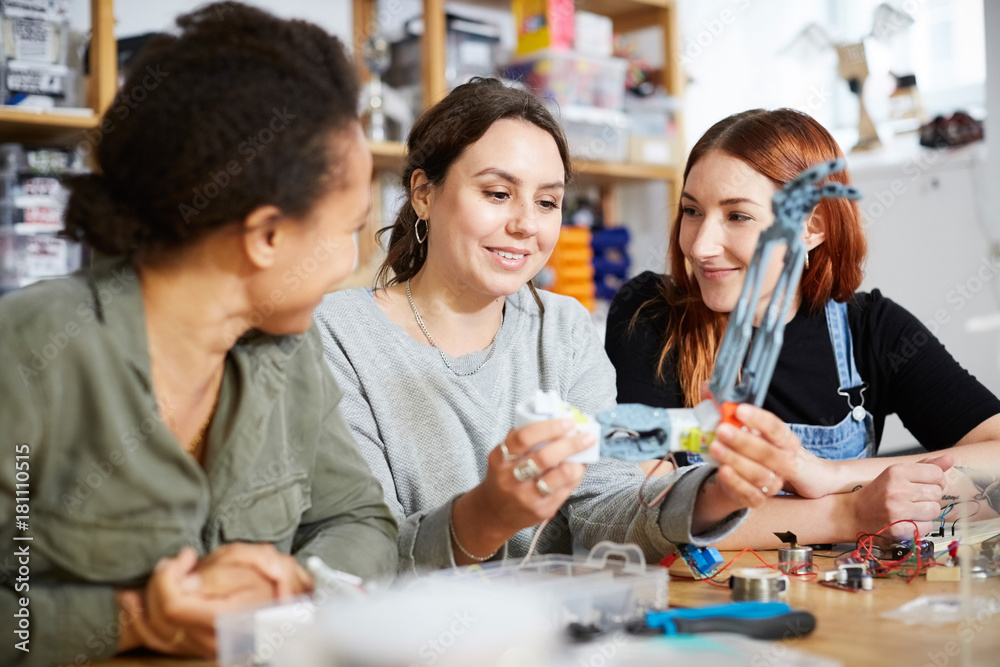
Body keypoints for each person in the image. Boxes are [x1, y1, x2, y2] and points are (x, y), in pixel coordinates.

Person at [0, 4, 398, 665]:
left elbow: (361, 521)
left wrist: (295, 585)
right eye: (352, 227)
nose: (357, 259)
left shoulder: (293, 351)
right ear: (268, 237)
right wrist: (132, 619)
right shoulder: (30, 352)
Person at [314, 78, 797, 574]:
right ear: (423, 194)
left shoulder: (563, 328)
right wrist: (488, 515)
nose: (526, 224)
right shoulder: (337, 336)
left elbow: (604, 509)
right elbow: (358, 559)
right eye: (498, 193)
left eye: (547, 202)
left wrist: (713, 494)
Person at [605, 108, 1000, 547]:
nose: (699, 245)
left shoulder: (874, 330)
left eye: (737, 216)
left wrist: (829, 474)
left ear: (811, 227)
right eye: (692, 210)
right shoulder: (650, 314)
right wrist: (847, 511)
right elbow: (644, 507)